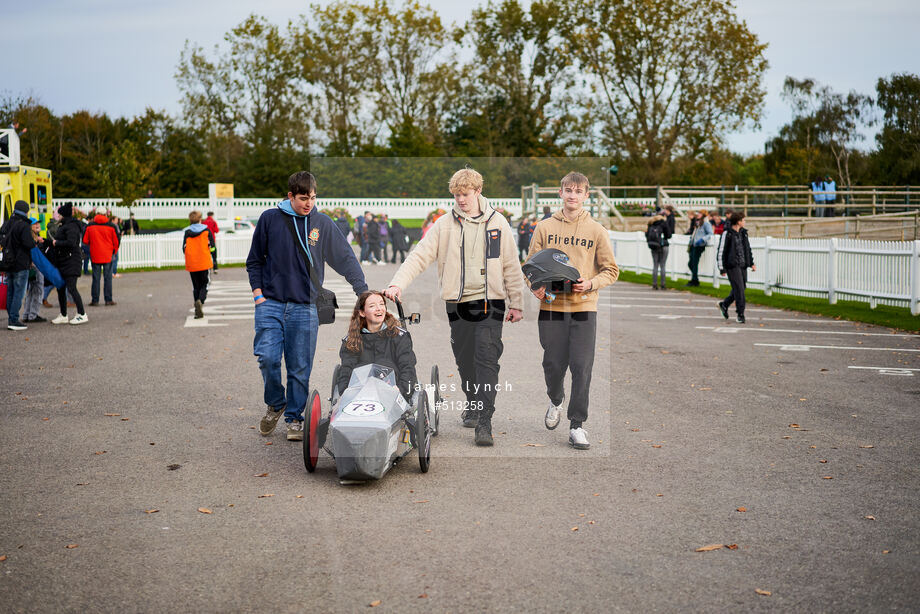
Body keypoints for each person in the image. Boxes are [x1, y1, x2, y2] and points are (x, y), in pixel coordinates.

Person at [384, 168, 525, 447]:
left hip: (490, 301)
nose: (461, 200)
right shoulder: (444, 225)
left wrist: (517, 303)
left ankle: (485, 420)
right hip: (458, 303)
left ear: (478, 191)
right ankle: (473, 401)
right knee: (465, 358)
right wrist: (397, 283)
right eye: (457, 195)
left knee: (487, 358)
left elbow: (511, 264)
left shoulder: (498, 223)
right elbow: (419, 256)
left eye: (466, 194)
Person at [247, 171, 368, 441]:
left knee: (300, 366)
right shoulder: (269, 219)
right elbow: (254, 260)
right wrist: (258, 295)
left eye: (313, 198)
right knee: (267, 358)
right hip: (271, 303)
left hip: (305, 307)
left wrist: (363, 292)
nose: (309, 204)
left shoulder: (322, 223)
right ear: (290, 196)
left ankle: (294, 417)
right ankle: (276, 402)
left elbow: (346, 259)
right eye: (303, 198)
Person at [527, 172, 619, 451]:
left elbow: (611, 270)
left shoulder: (597, 231)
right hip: (552, 306)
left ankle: (577, 424)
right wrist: (536, 287)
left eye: (578, 191)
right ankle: (556, 399)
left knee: (582, 366)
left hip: (584, 308)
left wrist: (591, 283)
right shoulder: (544, 227)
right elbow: (531, 266)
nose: (572, 195)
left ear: (586, 196)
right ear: (560, 192)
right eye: (568, 190)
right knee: (553, 365)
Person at [336, 291, 418, 403]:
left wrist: (400, 389)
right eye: (372, 306)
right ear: (362, 312)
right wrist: (345, 392)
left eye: (381, 304)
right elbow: (346, 370)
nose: (379, 308)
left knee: (385, 364)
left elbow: (407, 367)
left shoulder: (400, 336)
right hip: (361, 393)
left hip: (393, 391)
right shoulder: (351, 340)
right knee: (360, 368)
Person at [50, 203, 88, 325]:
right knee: (61, 288)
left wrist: (57, 243)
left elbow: (71, 242)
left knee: (72, 288)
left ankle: (82, 314)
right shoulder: (65, 225)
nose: (58, 216)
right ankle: (63, 314)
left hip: (72, 261)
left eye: (59, 214)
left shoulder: (71, 226)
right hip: (64, 261)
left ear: (64, 215)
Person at [716, 211, 756, 324]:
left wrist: (751, 262)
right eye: (743, 220)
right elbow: (721, 251)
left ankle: (724, 304)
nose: (745, 222)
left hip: (742, 265)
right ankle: (740, 314)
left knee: (742, 287)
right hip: (732, 265)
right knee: (739, 289)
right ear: (738, 221)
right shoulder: (727, 234)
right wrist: (722, 268)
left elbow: (747, 249)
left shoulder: (744, 233)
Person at [2, 200, 36, 330]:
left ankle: (11, 316)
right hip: (21, 263)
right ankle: (14, 319)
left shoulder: (7, 223)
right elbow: (29, 244)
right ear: (26, 211)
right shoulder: (23, 225)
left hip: (8, 262)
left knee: (10, 290)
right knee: (18, 292)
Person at [183, 211, 216, 319]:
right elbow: (212, 246)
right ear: (200, 219)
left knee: (196, 286)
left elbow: (184, 247)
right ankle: (200, 301)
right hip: (204, 262)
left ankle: (197, 310)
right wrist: (213, 259)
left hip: (192, 263)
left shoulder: (187, 232)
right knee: (205, 284)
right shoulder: (206, 230)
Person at [82, 212, 120, 306]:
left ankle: (95, 300)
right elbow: (116, 241)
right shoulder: (111, 226)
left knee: (96, 278)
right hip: (107, 255)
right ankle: (108, 299)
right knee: (108, 278)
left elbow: (85, 241)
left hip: (95, 255)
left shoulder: (90, 226)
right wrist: (114, 251)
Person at [22, 218, 48, 323]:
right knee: (38, 290)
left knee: (31, 291)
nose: (38, 225)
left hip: (33, 266)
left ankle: (27, 314)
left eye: (38, 223)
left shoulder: (34, 238)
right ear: (30, 226)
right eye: (35, 223)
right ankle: (33, 314)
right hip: (36, 266)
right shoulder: (32, 239)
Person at [685, 210, 712, 287]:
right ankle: (695, 278)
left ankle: (694, 280)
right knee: (691, 263)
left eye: (700, 213)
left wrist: (702, 240)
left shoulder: (706, 224)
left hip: (699, 245)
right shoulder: (698, 222)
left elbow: (710, 233)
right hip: (693, 244)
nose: (698, 214)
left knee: (694, 263)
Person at [645, 213, 672, 290]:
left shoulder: (651, 224)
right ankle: (663, 284)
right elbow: (669, 235)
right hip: (664, 245)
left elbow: (647, 235)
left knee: (655, 265)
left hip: (654, 245)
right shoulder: (664, 224)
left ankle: (654, 284)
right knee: (663, 265)